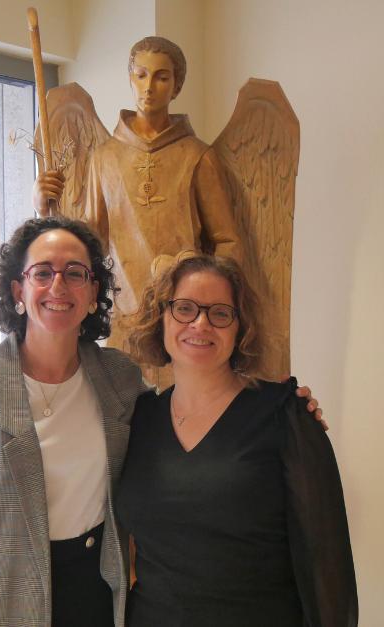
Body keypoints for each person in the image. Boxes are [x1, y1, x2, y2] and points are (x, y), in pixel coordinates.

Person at [0, 217, 322, 627]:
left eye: (75, 274)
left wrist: (287, 406)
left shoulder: (119, 380)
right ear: (19, 290)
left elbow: (194, 417)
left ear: (92, 295)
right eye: (43, 273)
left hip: (98, 593)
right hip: (3, 600)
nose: (58, 286)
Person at [118, 255, 357, 627]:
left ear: (239, 328)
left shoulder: (284, 415)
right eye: (184, 308)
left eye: (220, 313)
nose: (200, 323)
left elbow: (326, 561)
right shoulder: (139, 416)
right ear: (161, 318)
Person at [33, 37, 244, 350]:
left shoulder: (198, 157)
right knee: (126, 396)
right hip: (125, 319)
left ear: (177, 86)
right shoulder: (105, 158)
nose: (149, 87)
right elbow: (90, 243)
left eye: (162, 77)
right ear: (130, 79)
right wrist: (46, 209)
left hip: (185, 321)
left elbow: (228, 241)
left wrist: (207, 301)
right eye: (141, 75)